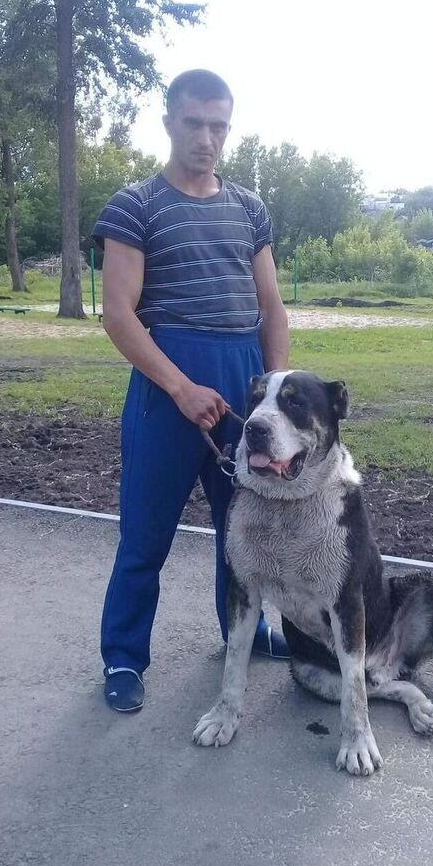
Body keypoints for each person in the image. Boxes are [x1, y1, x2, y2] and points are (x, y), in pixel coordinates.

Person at [93, 69, 290, 713]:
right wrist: (180, 389)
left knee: (244, 531)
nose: (207, 139)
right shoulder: (135, 206)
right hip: (166, 386)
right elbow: (118, 315)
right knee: (145, 535)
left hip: (242, 382)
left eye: (219, 127)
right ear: (169, 123)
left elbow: (272, 309)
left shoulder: (249, 208)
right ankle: (124, 657)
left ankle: (244, 633)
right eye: (195, 124)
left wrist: (273, 399)